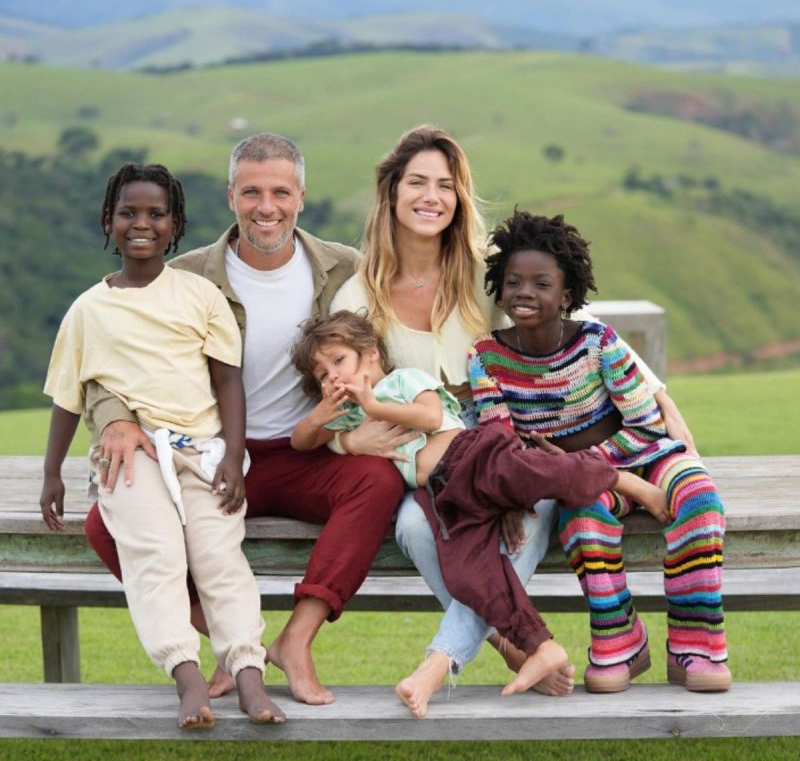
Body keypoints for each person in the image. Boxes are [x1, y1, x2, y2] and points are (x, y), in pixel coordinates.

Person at [329, 125, 695, 705]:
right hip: (427, 454)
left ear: (459, 198)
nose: (431, 196)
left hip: (516, 437)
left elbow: (570, 319)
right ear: (391, 192)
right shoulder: (357, 295)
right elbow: (339, 386)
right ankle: (514, 639)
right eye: (417, 182)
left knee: (523, 522)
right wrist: (352, 444)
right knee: (413, 528)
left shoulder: (484, 269)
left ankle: (446, 662)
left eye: (446, 185)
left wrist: (658, 390)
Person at [80, 135, 405, 706]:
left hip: (309, 453)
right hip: (209, 457)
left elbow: (383, 349)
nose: (266, 206)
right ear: (231, 196)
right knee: (104, 525)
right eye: (251, 191)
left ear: (301, 196)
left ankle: (296, 640)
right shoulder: (183, 275)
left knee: (377, 483)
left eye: (281, 191)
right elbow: (110, 364)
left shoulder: (344, 270)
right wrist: (114, 420)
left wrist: (379, 418)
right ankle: (226, 641)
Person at [289, 310, 668, 717]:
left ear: (371, 356)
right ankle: (539, 644)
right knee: (473, 573)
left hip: (472, 456)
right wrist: (322, 418)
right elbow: (300, 442)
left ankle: (623, 481)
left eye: (339, 361)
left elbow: (430, 417)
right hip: (446, 496)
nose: (332, 377)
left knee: (542, 472)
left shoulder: (401, 382)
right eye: (322, 374)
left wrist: (374, 405)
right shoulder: (349, 416)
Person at [39, 163, 285, 729]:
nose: (141, 224)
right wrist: (52, 473)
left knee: (219, 556)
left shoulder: (200, 296)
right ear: (109, 220)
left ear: (175, 225)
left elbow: (228, 382)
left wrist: (233, 455)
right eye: (128, 213)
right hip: (130, 455)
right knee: (156, 553)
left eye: (156, 214)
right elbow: (67, 398)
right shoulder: (88, 310)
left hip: (202, 451)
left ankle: (249, 676)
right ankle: (188, 677)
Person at [470, 210, 731, 694]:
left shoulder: (598, 342)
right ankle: (620, 641)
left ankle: (695, 645)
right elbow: (500, 442)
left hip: (649, 458)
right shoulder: (486, 357)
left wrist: (580, 464)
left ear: (567, 295)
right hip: (576, 483)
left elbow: (647, 426)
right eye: (513, 282)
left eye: (541, 283)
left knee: (699, 500)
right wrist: (530, 485)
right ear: (499, 289)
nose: (524, 292)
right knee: (583, 518)